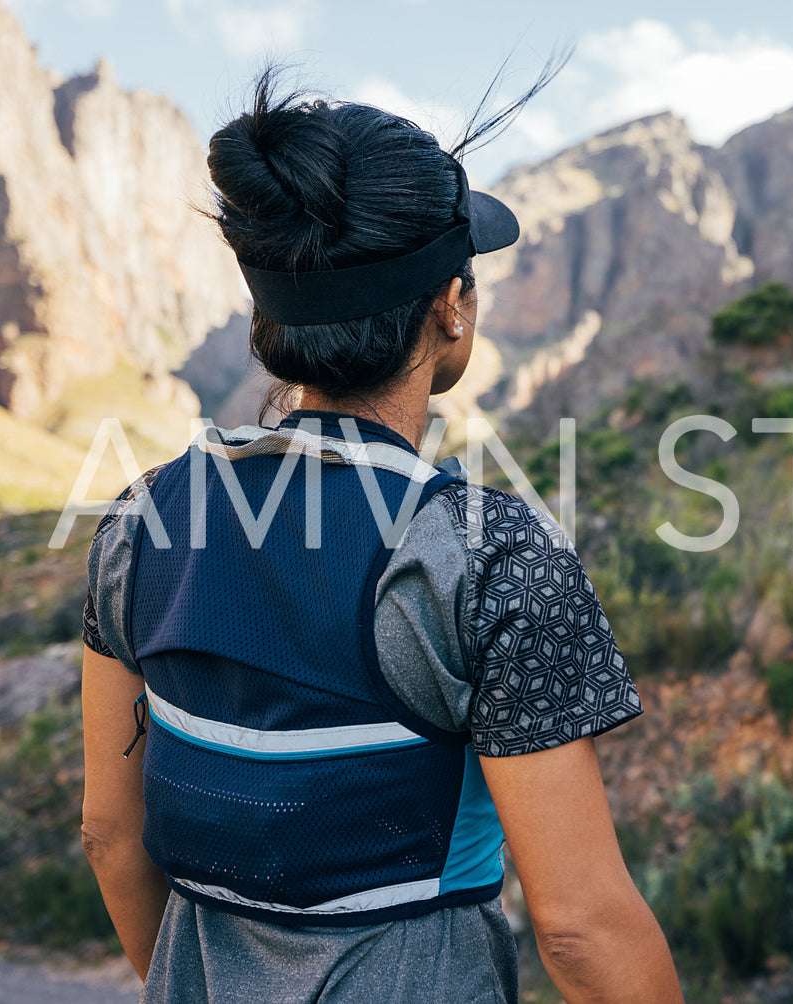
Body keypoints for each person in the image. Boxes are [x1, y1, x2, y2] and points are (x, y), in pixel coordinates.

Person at [79, 68, 684, 1004]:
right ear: (451, 306)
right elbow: (578, 927)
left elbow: (110, 836)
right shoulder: (488, 557)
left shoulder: (139, 521)